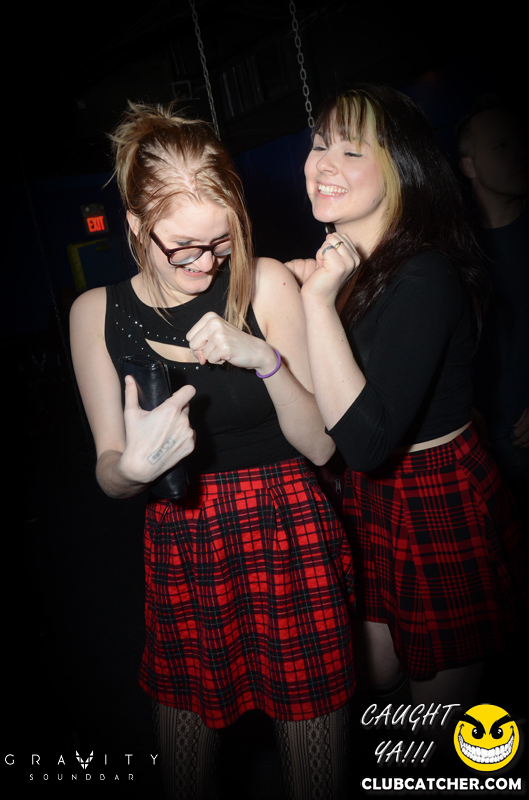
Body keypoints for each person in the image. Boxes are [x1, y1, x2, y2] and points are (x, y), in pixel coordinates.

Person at [69, 101, 355, 800]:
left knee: (314, 773)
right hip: (184, 541)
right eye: (183, 248)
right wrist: (131, 470)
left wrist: (264, 360)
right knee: (186, 774)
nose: (205, 264)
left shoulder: (266, 281)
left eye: (222, 242)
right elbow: (108, 470)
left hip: (287, 527)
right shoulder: (95, 314)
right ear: (135, 225)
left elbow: (323, 445)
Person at [286, 84, 527, 709]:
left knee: (437, 714)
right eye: (319, 145)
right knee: (373, 671)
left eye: (351, 151)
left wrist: (315, 304)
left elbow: (364, 443)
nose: (323, 164)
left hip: (436, 491)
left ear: (401, 169)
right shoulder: (350, 265)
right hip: (374, 498)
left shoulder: (424, 271)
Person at [457, 97, 529, 523]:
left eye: (520, 141)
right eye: (501, 146)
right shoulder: (458, 254)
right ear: (469, 166)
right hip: (487, 453)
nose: (518, 153)